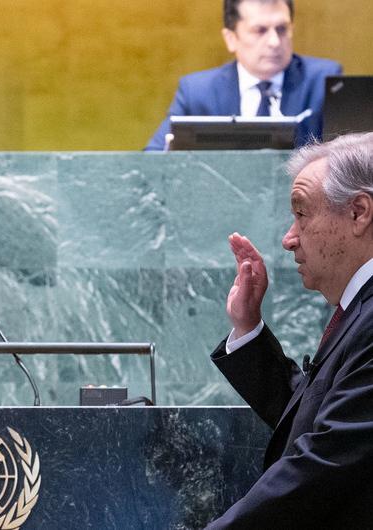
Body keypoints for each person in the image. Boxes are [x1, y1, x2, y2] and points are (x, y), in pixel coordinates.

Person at [208, 132, 373, 528]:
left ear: (359, 212)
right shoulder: (360, 310)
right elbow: (316, 416)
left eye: (302, 214)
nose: (288, 239)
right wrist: (248, 329)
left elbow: (324, 463)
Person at [146, 0, 342, 151]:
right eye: (260, 31)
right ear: (231, 39)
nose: (274, 42)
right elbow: (152, 158)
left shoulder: (324, 81)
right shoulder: (197, 92)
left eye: (282, 29)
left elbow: (347, 160)